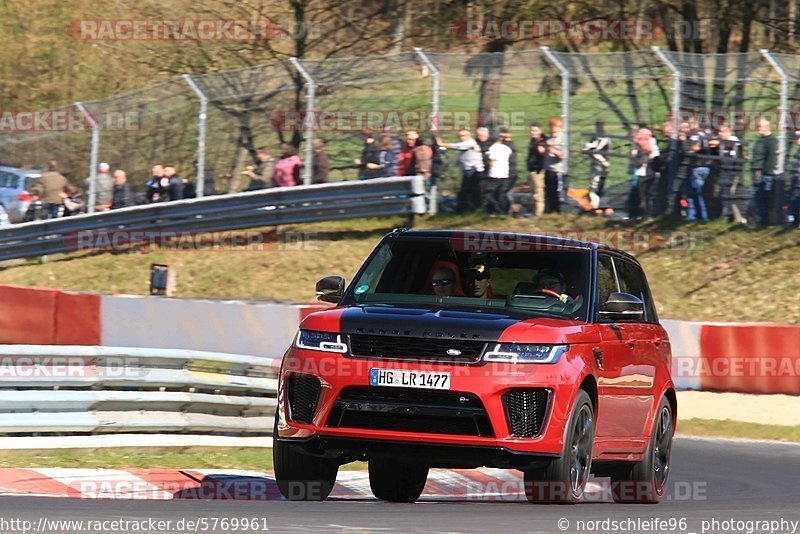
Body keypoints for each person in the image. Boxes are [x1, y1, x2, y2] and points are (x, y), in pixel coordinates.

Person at [437, 128, 484, 213]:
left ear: (469, 136)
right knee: (468, 191)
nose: (461, 137)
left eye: (463, 135)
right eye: (460, 136)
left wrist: (441, 143)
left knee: (468, 192)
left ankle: (466, 209)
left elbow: (457, 146)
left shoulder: (469, 143)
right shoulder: (466, 144)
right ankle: (467, 209)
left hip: (474, 172)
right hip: (468, 172)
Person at [750, 118, 778, 226]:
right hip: (760, 173)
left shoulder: (771, 141)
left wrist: (764, 172)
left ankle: (764, 222)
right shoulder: (760, 140)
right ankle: (760, 221)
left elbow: (771, 158)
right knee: (759, 199)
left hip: (765, 174)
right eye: (758, 126)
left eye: (760, 126)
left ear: (768, 127)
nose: (758, 128)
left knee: (764, 199)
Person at [583, 120, 611, 210]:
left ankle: (596, 207)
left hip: (602, 166)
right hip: (595, 165)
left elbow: (597, 149)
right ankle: (594, 206)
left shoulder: (605, 138)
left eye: (600, 125)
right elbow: (590, 149)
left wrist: (590, 148)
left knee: (597, 187)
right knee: (593, 187)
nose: (599, 127)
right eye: (597, 125)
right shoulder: (595, 137)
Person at [484, 133, 512, 214]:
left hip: (494, 174)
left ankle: (496, 210)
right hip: (505, 173)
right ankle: (505, 211)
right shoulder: (506, 148)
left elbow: (491, 162)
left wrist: (487, 161)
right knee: (501, 193)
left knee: (490, 194)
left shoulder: (492, 148)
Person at [544, 117, 566, 213]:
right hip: (548, 169)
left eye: (555, 130)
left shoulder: (562, 140)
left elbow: (562, 155)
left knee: (557, 192)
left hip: (558, 170)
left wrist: (551, 150)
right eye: (551, 129)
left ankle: (558, 211)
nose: (553, 132)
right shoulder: (549, 138)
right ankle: (550, 210)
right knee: (549, 192)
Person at [527, 122, 548, 216]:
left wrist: (541, 148)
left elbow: (542, 152)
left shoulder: (542, 140)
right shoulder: (533, 140)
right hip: (531, 169)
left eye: (535, 130)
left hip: (538, 170)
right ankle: (534, 211)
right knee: (533, 193)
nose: (533, 132)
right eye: (531, 130)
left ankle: (539, 214)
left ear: (540, 130)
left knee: (538, 193)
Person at [499, 127, 519, 215]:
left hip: (509, 172)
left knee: (505, 193)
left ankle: (507, 211)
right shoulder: (509, 145)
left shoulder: (507, 146)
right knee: (506, 193)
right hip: (507, 172)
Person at [788, 131, 800, 228]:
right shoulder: (797, 150)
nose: (798, 140)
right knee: (795, 200)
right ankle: (795, 222)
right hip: (796, 180)